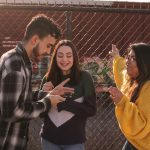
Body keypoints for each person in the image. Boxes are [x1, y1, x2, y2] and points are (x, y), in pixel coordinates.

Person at [0, 14, 74, 150]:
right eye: (48, 46)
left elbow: (19, 97)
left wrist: (46, 94)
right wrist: (47, 102)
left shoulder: (17, 59)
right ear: (34, 40)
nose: (49, 51)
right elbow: (11, 112)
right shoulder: (16, 65)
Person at [38, 39, 97, 150]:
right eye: (60, 55)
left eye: (69, 55)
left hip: (74, 141)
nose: (64, 59)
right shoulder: (47, 79)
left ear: (74, 58)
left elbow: (91, 109)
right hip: (49, 140)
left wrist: (64, 103)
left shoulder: (84, 77)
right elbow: (40, 114)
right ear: (55, 58)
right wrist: (44, 96)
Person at [108, 43, 150, 150]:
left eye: (133, 58)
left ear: (144, 63)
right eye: (128, 57)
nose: (127, 60)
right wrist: (117, 57)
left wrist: (122, 102)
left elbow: (141, 126)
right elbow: (122, 72)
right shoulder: (132, 78)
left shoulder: (148, 89)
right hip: (134, 142)